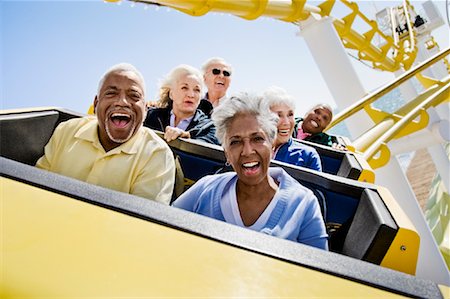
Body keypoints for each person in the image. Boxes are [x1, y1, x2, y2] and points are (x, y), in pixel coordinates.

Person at [172, 92, 328, 250]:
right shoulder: (206, 189)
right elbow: (166, 233)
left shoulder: (304, 203)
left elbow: (320, 270)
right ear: (226, 153)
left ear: (272, 144)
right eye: (235, 142)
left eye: (257, 139)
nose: (247, 151)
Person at [36, 63, 175, 204]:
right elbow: (36, 190)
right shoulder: (66, 130)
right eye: (111, 93)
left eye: (133, 96)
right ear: (96, 104)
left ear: (145, 110)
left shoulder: (157, 155)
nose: (122, 102)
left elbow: (141, 222)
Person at [144, 64, 219, 145]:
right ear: (171, 94)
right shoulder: (150, 116)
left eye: (197, 90)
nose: (191, 95)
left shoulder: (210, 127)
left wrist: (186, 137)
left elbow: (209, 145)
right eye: (184, 88)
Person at [263, 86, 322, 172]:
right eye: (278, 115)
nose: (286, 122)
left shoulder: (308, 155)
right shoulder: (250, 149)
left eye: (290, 115)